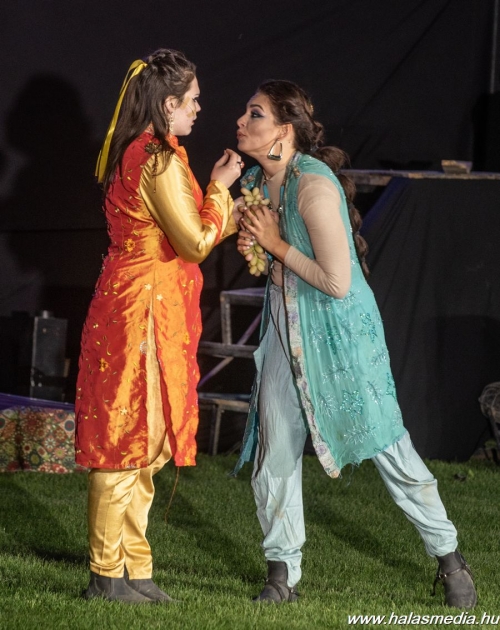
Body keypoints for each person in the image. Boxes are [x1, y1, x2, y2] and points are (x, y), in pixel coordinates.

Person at [233, 80, 477, 609]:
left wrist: (274, 243)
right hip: (285, 328)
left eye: (254, 114)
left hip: (338, 332)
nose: (241, 122)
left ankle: (450, 558)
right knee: (275, 446)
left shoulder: (312, 186)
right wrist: (257, 244)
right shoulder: (255, 180)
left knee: (388, 445)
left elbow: (337, 282)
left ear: (283, 131)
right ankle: (282, 574)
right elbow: (269, 261)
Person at [74, 48, 243, 603]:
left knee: (144, 443)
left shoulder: (139, 150)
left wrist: (222, 205)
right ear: (168, 104)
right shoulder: (156, 159)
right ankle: (106, 574)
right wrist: (221, 189)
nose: (198, 108)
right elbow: (193, 242)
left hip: (141, 302)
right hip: (142, 311)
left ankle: (135, 569)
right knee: (126, 440)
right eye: (192, 100)